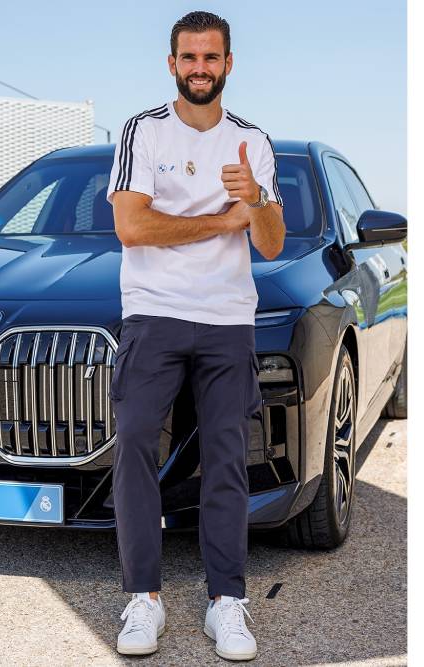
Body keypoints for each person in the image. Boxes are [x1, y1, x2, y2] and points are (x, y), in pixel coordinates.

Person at [105, 10, 286, 662]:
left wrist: (255, 201)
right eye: (189, 57)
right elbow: (132, 226)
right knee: (134, 441)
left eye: (211, 57)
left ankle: (226, 601)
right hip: (154, 311)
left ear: (228, 63)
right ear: (172, 63)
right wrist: (221, 220)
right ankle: (143, 598)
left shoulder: (253, 142)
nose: (200, 68)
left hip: (227, 317)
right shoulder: (144, 130)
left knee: (227, 456)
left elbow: (271, 243)